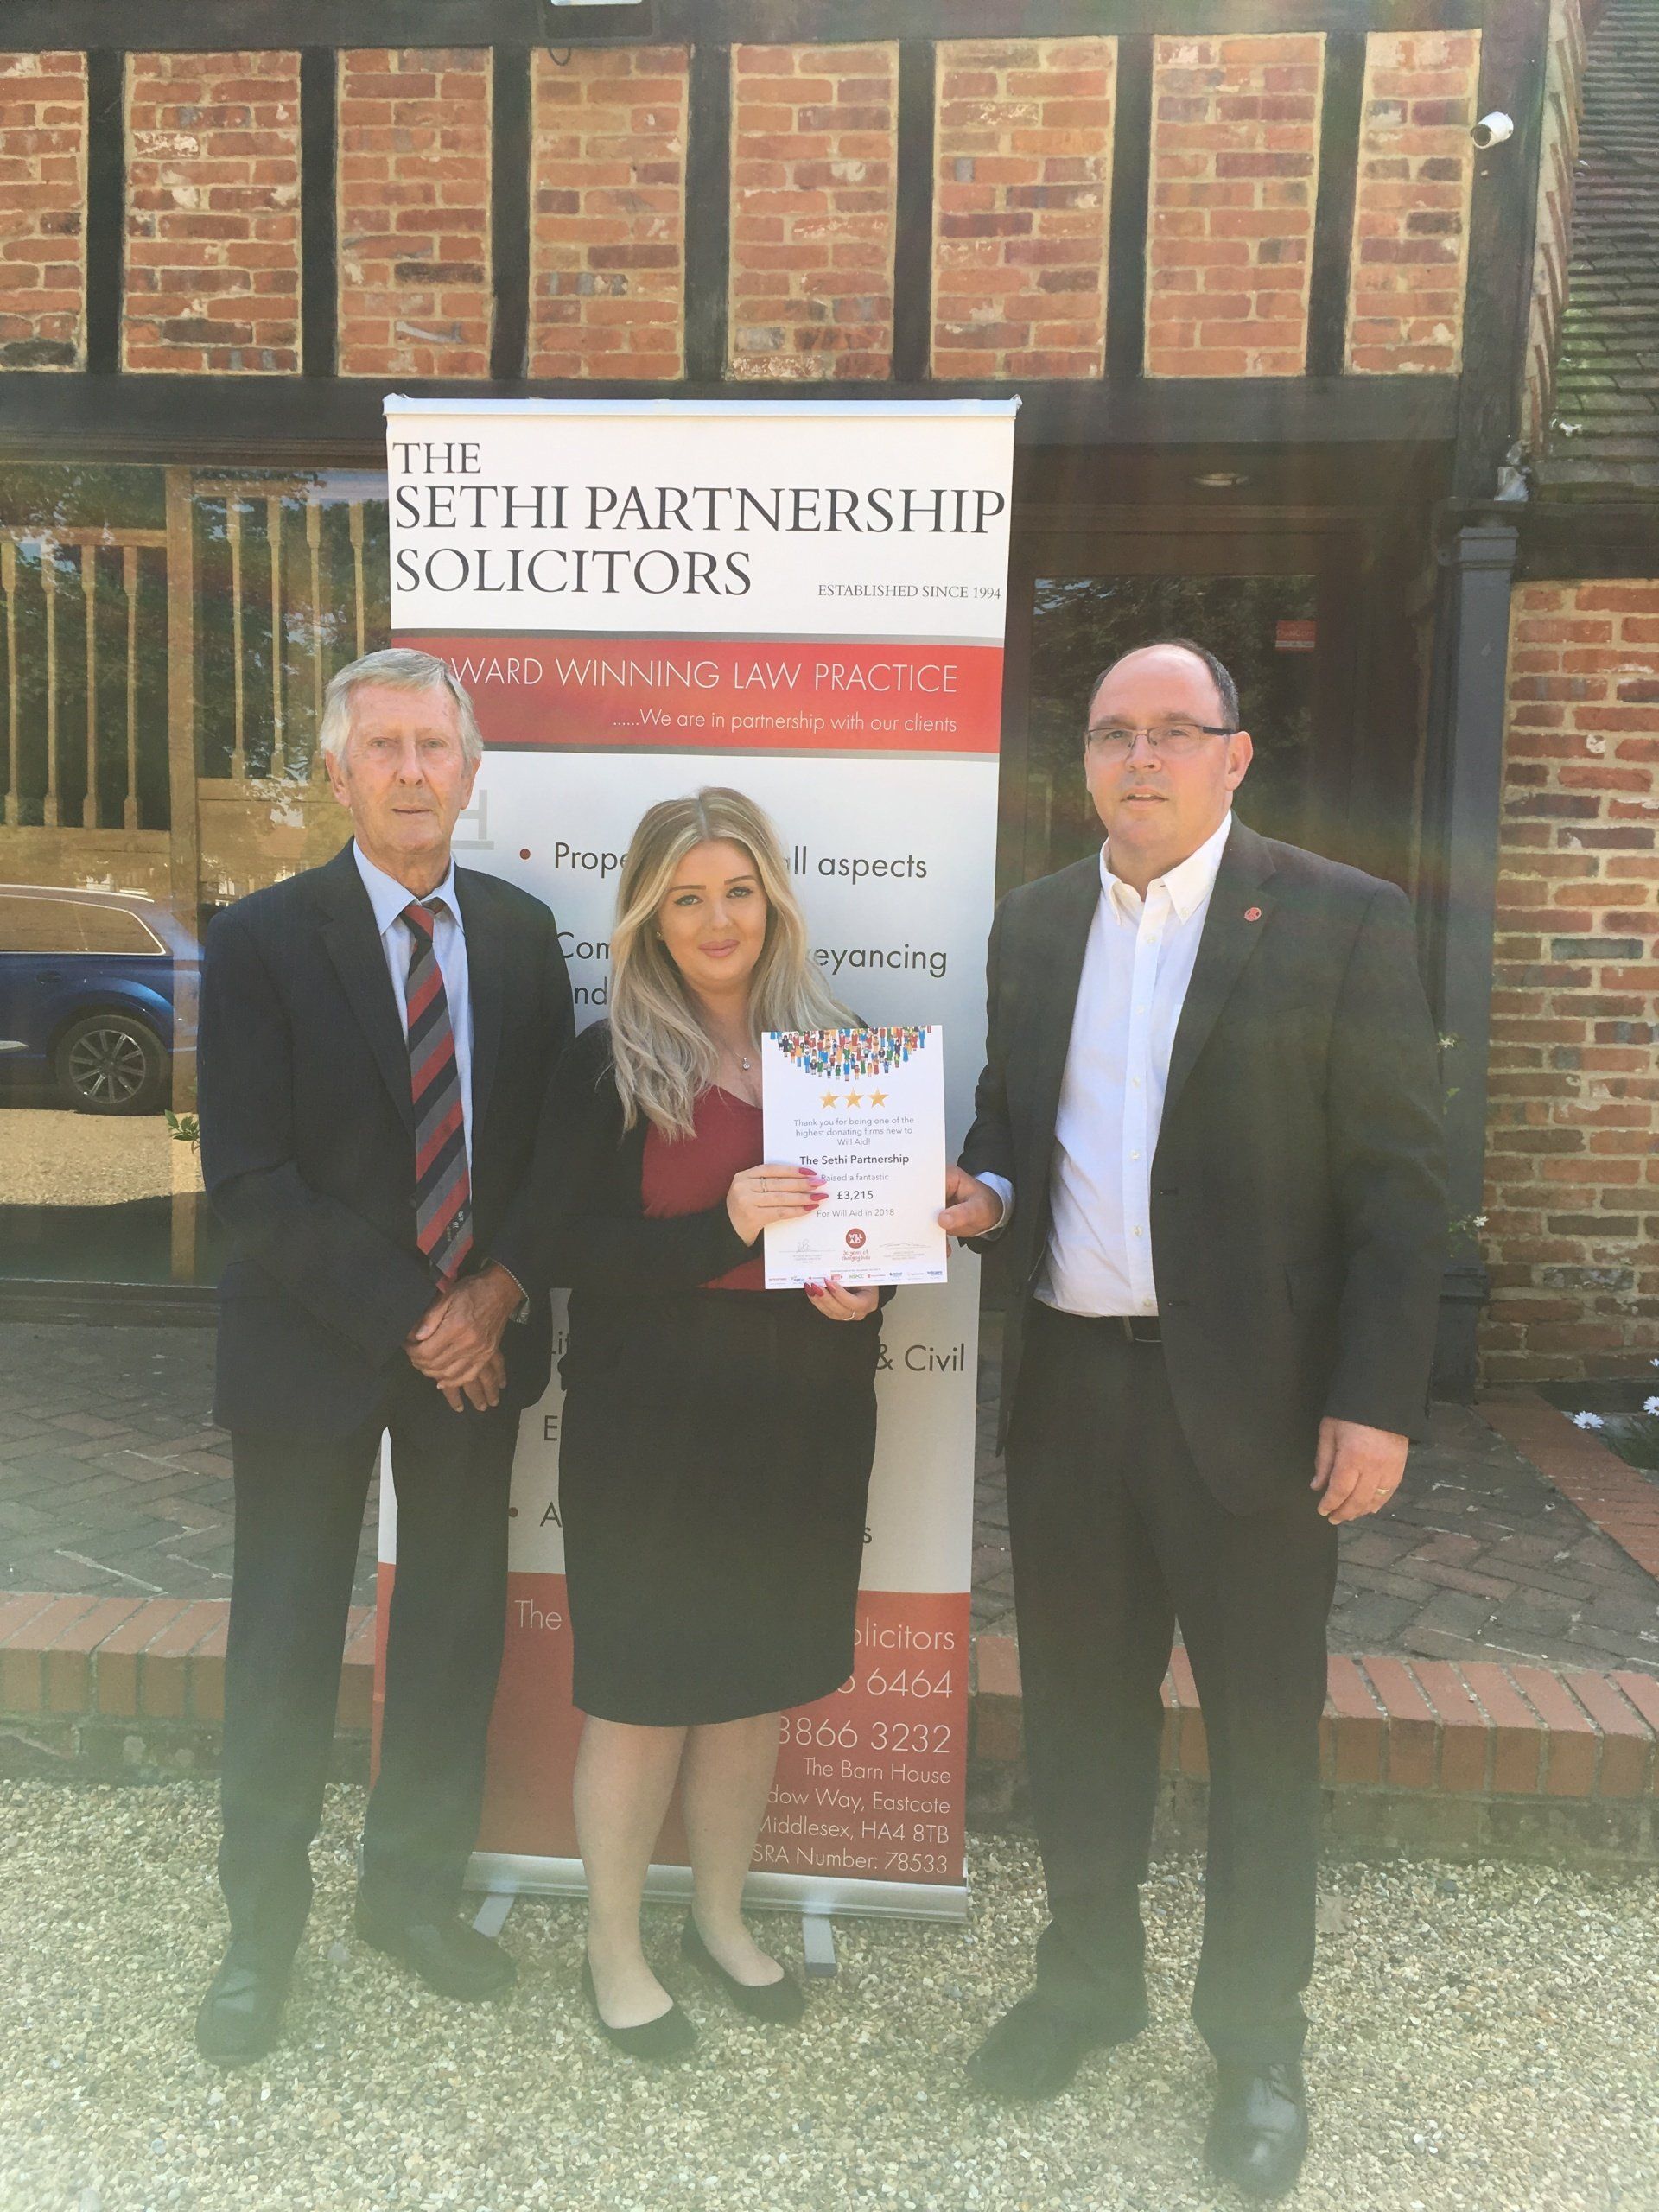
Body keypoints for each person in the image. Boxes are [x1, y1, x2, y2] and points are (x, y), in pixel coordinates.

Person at [940, 640, 1446, 2197]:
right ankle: (1089, 1978)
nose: (1139, 757)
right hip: (1076, 1389)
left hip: (1262, 1410)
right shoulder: (1032, 925)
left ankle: (1257, 2041)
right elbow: (1016, 1129)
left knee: (1260, 1741)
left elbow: (1397, 1188)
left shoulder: (1341, 919)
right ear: (1082, 761)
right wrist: (985, 1195)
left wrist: (1374, 1402)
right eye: (1112, 733)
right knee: (1083, 1717)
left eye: (1174, 731)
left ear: (1236, 755)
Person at [192, 648, 574, 2064]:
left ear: (471, 774)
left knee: (454, 1632)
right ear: (339, 774)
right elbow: (248, 1175)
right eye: (387, 747)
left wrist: (501, 1288)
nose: (415, 771)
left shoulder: (529, 939)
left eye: (437, 747)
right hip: (317, 1346)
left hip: (479, 1353)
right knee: (284, 1640)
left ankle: (408, 1900)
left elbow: (549, 1155)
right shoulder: (261, 942)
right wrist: (425, 1313)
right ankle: (259, 1933)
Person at [538, 787, 887, 2060]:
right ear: (650, 915)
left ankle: (724, 1920)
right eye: (687, 897)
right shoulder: (604, 1059)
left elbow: (875, 1231)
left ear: (774, 900)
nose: (717, 917)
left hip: (800, 1419)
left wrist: (868, 1291)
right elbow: (561, 1242)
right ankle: (614, 1946)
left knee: (751, 1691)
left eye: (737, 890)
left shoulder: (840, 1046)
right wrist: (719, 1227)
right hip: (650, 1426)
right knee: (639, 1696)